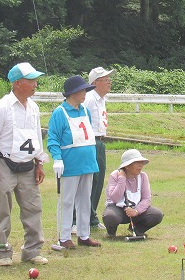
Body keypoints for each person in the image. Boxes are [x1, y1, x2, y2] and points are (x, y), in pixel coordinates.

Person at [0, 62, 49, 266]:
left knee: (33, 207)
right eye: (31, 81)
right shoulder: (2, 107)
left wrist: (40, 163)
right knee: (2, 209)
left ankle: (32, 250)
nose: (35, 84)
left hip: (28, 165)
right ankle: (3, 252)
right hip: (4, 164)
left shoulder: (34, 108)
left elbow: (37, 137)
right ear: (18, 83)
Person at [47, 75, 102, 249]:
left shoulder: (85, 110)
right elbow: (53, 138)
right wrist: (57, 158)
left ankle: (84, 234)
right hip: (70, 163)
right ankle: (64, 236)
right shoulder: (60, 112)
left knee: (85, 200)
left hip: (88, 162)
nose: (85, 93)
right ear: (72, 93)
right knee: (67, 201)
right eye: (82, 90)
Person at [72, 66, 114, 233]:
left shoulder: (102, 99)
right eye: (105, 79)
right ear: (95, 82)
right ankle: (76, 219)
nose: (109, 82)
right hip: (89, 142)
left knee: (97, 181)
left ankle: (91, 217)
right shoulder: (89, 99)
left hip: (100, 141)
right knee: (85, 181)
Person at [102, 149, 164, 237]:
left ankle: (136, 229)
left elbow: (146, 198)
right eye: (137, 162)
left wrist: (136, 211)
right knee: (110, 216)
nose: (141, 165)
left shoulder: (143, 176)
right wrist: (122, 179)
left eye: (141, 162)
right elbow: (114, 198)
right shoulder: (115, 175)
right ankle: (111, 232)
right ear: (127, 166)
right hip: (117, 209)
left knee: (156, 214)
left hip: (135, 209)